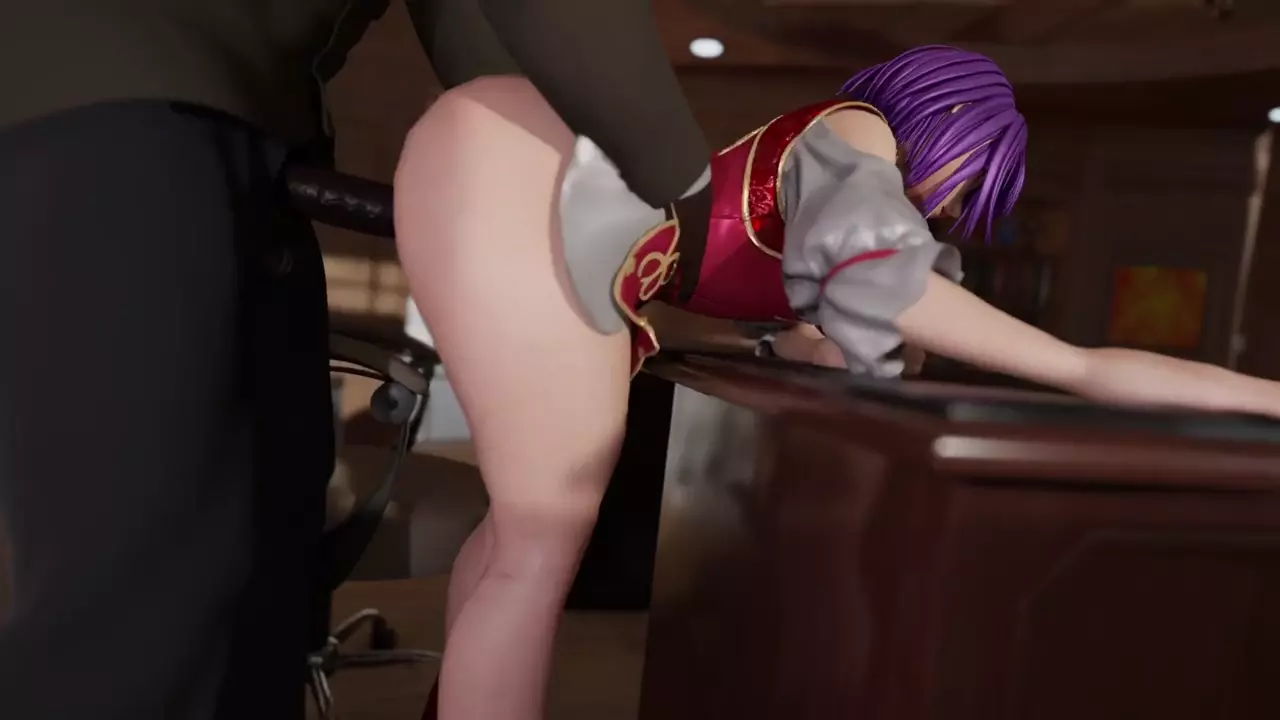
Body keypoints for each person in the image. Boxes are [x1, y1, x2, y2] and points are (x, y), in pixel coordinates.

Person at [395, 42, 1280, 717]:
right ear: (946, 122)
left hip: (543, 198)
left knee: (519, 543)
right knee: (540, 544)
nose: (947, 209)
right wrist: (1062, 362)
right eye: (963, 180)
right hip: (543, 192)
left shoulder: (834, 175)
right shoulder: (861, 136)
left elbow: (838, 332)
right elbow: (887, 295)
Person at [0, 1, 711, 719]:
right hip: (119, 110)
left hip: (239, 145)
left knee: (256, 585)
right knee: (145, 608)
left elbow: (490, 48)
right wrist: (691, 195)